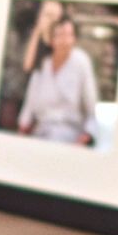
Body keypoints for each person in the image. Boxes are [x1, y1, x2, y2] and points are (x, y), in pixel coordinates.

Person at [16, 13, 99, 145]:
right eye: (59, 35)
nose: (64, 40)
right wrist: (22, 130)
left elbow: (91, 108)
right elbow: (29, 106)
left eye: (68, 35)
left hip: (70, 136)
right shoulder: (43, 63)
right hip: (40, 134)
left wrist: (85, 137)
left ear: (74, 39)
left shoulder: (81, 62)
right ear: (52, 40)